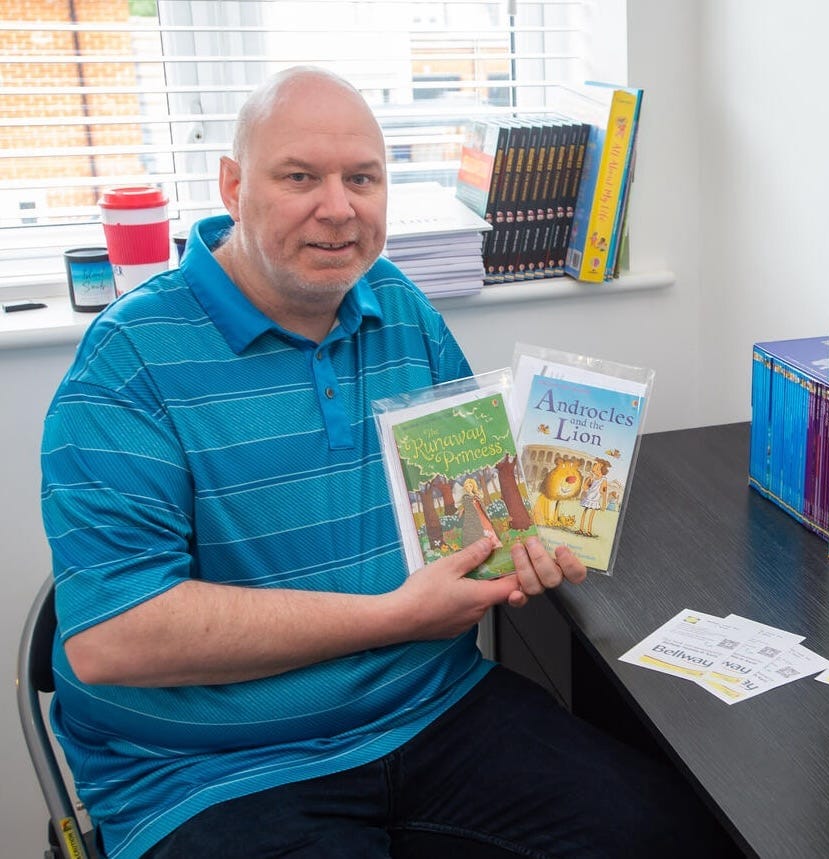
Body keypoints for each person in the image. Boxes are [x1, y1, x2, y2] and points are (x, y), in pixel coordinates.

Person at [40, 66, 732, 859]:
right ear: (233, 185)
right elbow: (112, 636)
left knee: (678, 833)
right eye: (300, 177)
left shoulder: (400, 310)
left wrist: (519, 544)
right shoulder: (127, 363)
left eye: (362, 178)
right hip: (212, 772)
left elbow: (470, 518)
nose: (338, 208)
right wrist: (394, 615)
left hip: (431, 709)